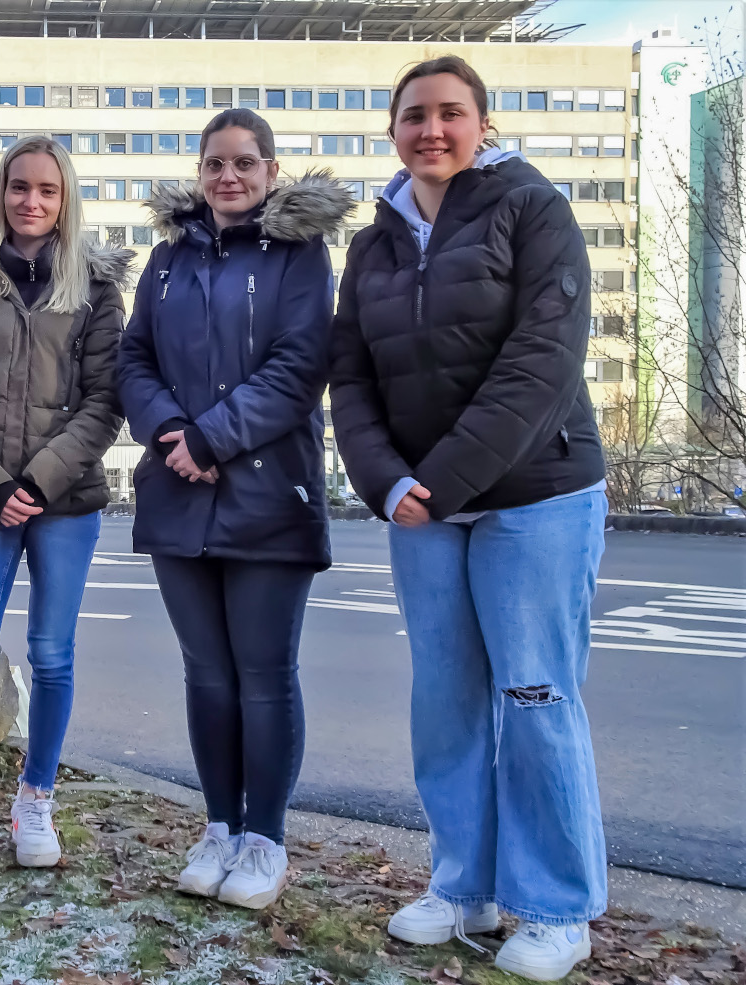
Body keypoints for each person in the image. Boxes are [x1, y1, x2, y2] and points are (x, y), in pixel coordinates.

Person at [328, 55, 608, 981]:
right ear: (393, 130)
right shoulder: (373, 241)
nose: (432, 130)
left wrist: (436, 482)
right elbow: (351, 377)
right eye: (414, 116)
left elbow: (542, 362)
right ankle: (463, 886)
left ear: (483, 124)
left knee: (535, 697)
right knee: (445, 701)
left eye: (452, 114)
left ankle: (557, 906)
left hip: (537, 494)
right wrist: (385, 483)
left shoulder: (534, 209)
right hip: (421, 509)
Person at [117, 109, 353, 909]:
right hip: (179, 491)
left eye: (245, 163)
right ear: (199, 171)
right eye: (215, 163)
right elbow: (134, 357)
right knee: (207, 675)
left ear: (270, 171)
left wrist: (211, 438)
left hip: (266, 495)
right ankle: (219, 824)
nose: (228, 176)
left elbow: (298, 367)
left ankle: (265, 838)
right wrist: (171, 433)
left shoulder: (300, 256)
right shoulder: (165, 261)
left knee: (262, 676)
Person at [0, 136, 131, 871]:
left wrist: (37, 480)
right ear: (0, 192)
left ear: (65, 197)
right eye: (19, 187)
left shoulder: (97, 291)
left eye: (46, 189)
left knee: (51, 654)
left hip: (65, 503)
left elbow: (108, 400)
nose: (31, 201)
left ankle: (36, 796)